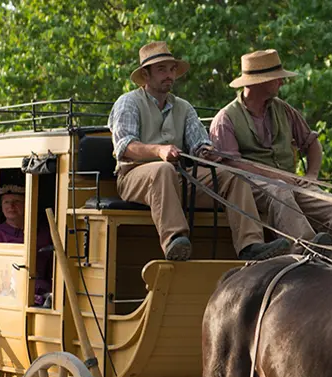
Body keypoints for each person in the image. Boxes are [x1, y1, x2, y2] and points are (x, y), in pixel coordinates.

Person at [108, 41, 290, 261]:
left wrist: (205, 151)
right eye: (162, 70)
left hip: (179, 178)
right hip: (135, 177)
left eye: (172, 69)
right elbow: (125, 147)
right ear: (145, 76)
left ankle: (250, 245)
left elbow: (199, 143)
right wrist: (159, 151)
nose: (169, 75)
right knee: (162, 170)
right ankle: (175, 241)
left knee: (233, 177)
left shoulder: (184, 107)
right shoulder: (128, 103)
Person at [209, 49, 332, 260]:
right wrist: (278, 177)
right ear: (258, 82)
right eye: (277, 79)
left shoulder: (285, 110)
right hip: (251, 187)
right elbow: (232, 166)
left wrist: (311, 176)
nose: (282, 83)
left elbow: (311, 143)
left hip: (290, 184)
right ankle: (308, 252)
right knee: (280, 192)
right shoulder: (226, 118)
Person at [0, 184, 53, 306]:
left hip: (41, 288)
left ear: (27, 204)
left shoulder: (43, 232)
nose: (11, 206)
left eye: (16, 201)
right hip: (6, 292)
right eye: (6, 202)